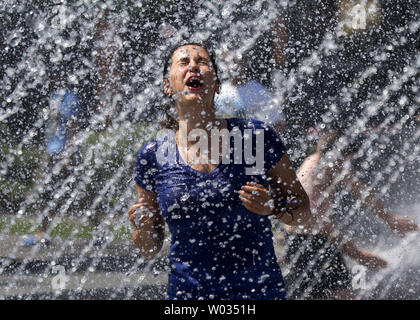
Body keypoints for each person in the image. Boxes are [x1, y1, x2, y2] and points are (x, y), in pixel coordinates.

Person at [127, 42, 311, 300]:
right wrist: (144, 228)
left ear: (217, 84)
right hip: (188, 296)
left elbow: (303, 212)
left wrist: (274, 206)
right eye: (183, 62)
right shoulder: (154, 155)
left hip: (257, 292)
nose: (193, 66)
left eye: (202, 62)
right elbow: (149, 248)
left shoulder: (255, 137)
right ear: (167, 86)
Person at [280, 130, 419, 299]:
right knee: (342, 294)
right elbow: (360, 193)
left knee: (323, 293)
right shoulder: (333, 164)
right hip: (313, 239)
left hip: (295, 238)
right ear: (347, 154)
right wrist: (358, 254)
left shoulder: (311, 161)